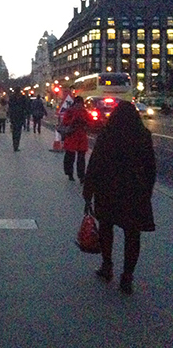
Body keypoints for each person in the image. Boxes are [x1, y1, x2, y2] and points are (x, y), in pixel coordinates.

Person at [83, 100, 156, 294]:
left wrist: (88, 191)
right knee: (133, 235)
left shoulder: (107, 135)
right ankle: (127, 276)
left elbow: (95, 164)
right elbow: (150, 168)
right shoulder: (143, 136)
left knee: (106, 228)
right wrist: (147, 191)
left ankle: (107, 266)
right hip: (134, 190)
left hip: (108, 188)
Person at [61, 96, 91, 181]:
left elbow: (89, 122)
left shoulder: (77, 111)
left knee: (76, 157)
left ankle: (77, 175)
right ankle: (74, 174)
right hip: (75, 136)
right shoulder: (73, 111)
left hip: (77, 137)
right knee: (74, 157)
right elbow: (65, 122)